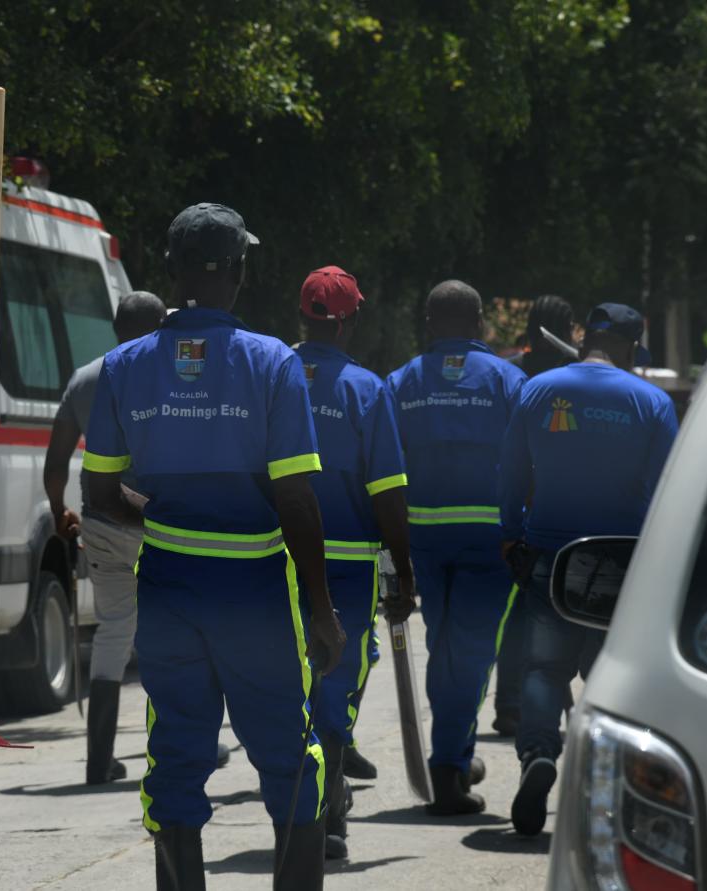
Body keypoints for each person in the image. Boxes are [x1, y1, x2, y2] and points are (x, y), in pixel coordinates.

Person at [83, 203, 345, 891]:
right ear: (238, 270)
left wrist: (168, 520)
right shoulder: (271, 364)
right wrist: (321, 608)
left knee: (174, 752)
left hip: (167, 588)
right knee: (289, 754)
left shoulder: (123, 366)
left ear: (170, 270)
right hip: (254, 590)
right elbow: (295, 498)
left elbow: (100, 492)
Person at [498, 302, 678, 836]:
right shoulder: (652, 402)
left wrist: (510, 536)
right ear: (629, 349)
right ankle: (609, 783)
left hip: (548, 554)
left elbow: (510, 472)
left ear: (586, 340)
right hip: (623, 563)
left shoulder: (537, 391)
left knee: (542, 668)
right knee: (612, 677)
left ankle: (537, 754)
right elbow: (669, 490)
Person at [384, 280, 526, 816]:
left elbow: (383, 467)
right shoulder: (510, 381)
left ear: (428, 323)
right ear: (480, 323)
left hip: (420, 536)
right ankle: (447, 771)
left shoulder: (399, 383)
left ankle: (454, 754)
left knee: (444, 644)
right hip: (489, 537)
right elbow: (528, 460)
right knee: (469, 652)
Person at [292, 266, 414, 860]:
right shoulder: (366, 389)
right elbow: (388, 493)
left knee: (295, 678)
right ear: (347, 322)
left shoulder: (270, 373)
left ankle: (306, 804)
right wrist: (402, 575)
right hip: (347, 561)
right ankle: (330, 813)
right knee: (339, 682)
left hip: (277, 556)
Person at [44, 291, 170, 784]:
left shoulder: (84, 379)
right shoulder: (167, 373)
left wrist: (60, 512)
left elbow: (56, 464)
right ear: (159, 326)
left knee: (114, 632)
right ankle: (176, 746)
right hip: (155, 520)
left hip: (98, 521)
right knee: (171, 632)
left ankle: (99, 760)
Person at [493, 294, 577, 736]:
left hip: (523, 512)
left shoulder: (518, 375)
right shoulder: (568, 380)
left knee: (522, 614)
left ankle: (509, 702)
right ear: (565, 330)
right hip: (556, 514)